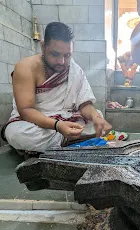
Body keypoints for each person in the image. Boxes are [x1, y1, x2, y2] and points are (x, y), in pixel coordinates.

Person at [1, 22, 112, 153]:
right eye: (55, 54)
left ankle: (62, 141)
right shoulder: (26, 67)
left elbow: (84, 104)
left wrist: (96, 118)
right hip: (35, 122)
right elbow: (25, 110)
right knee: (18, 134)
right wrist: (57, 125)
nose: (62, 62)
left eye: (67, 55)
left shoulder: (74, 69)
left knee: (97, 116)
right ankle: (71, 140)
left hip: (65, 117)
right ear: (42, 47)